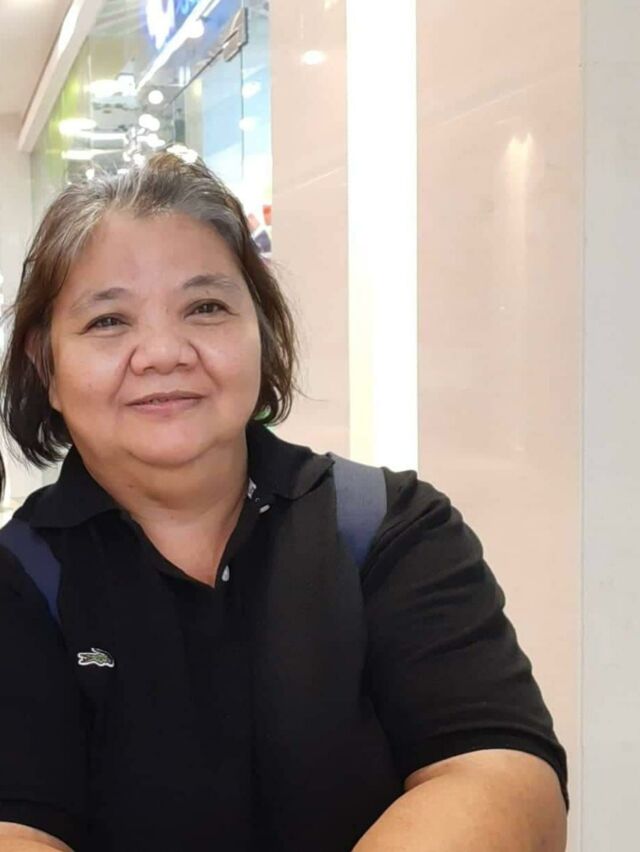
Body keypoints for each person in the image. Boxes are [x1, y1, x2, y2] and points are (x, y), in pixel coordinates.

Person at [0, 153, 568, 852]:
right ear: (46, 367)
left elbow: (500, 774)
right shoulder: (19, 582)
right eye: (109, 320)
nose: (164, 352)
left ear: (261, 332)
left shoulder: (389, 529)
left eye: (205, 308)